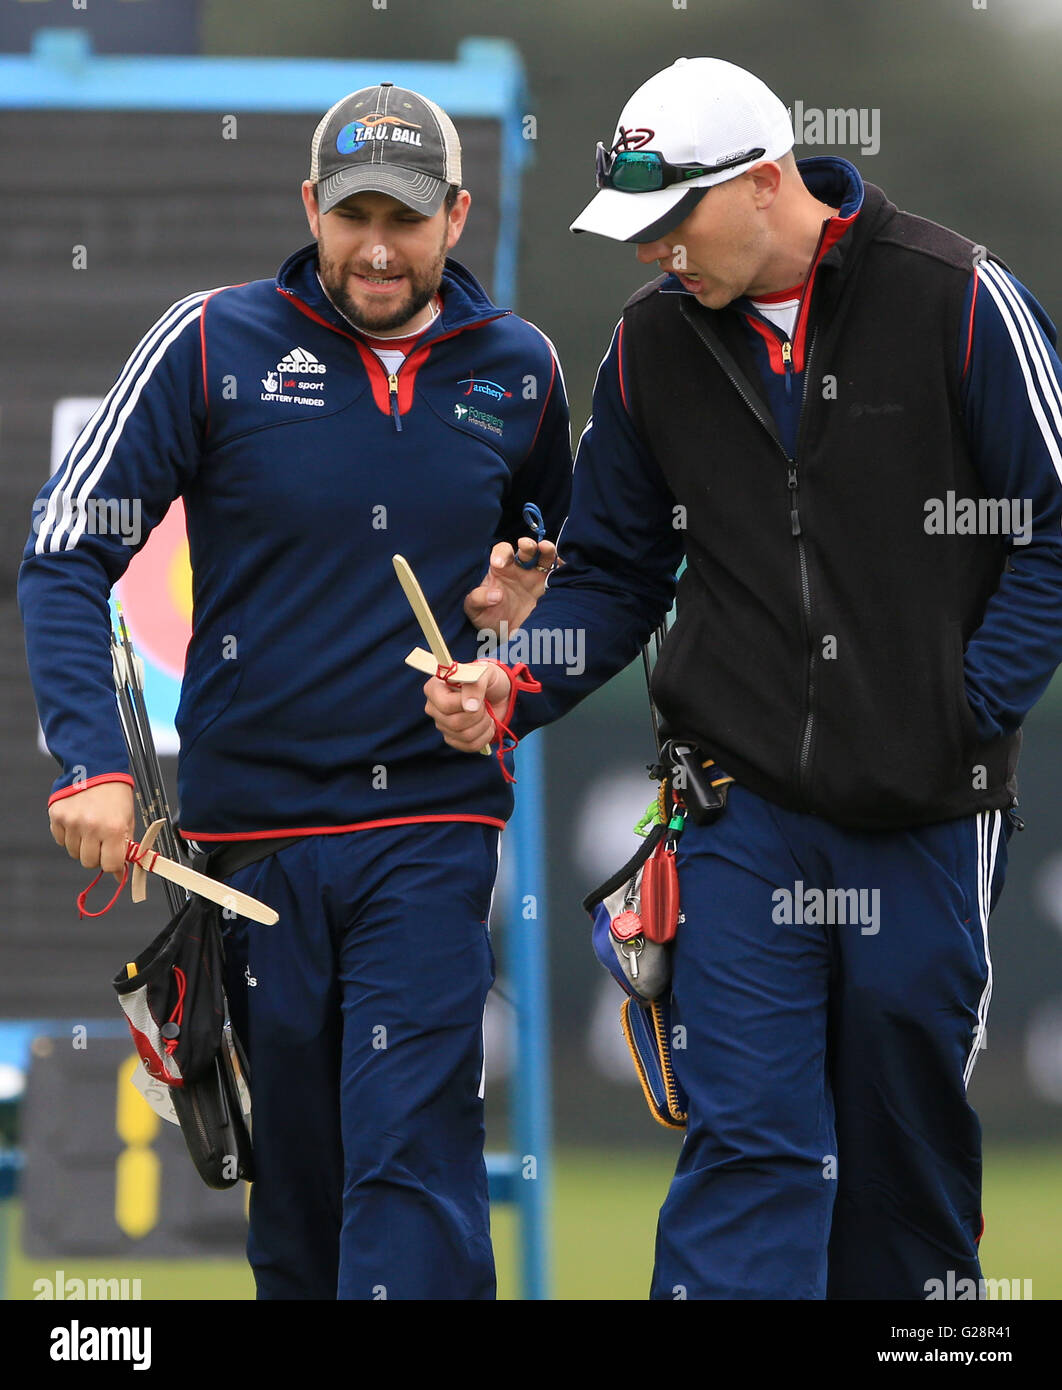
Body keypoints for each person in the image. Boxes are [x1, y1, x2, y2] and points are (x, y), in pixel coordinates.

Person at [425, 57, 1062, 1299]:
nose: (659, 252)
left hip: (927, 813)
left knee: (903, 1158)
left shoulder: (961, 299)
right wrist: (517, 682)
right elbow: (612, 570)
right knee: (750, 1144)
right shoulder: (652, 342)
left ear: (768, 182)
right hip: (734, 807)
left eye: (674, 220)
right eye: (639, 229)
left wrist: (966, 710)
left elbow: (1055, 524)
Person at [19, 82, 571, 1300]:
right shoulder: (212, 341)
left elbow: (579, 570)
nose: (380, 244)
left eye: (409, 217)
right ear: (309, 207)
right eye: (355, 211)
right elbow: (66, 554)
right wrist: (96, 764)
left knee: (411, 1154)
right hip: (246, 850)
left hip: (429, 828)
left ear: (459, 217)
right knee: (303, 1200)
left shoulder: (520, 370)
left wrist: (524, 622)